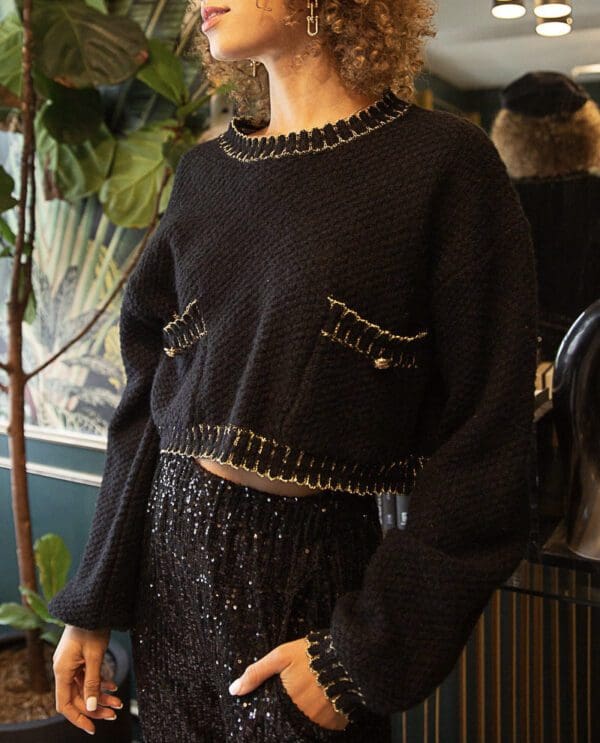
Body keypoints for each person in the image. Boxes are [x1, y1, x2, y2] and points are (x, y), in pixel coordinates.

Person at [49, 1, 539, 741]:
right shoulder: (205, 175)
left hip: (306, 581)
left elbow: (488, 441)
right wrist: (92, 603)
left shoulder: (440, 163)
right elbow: (146, 398)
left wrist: (365, 655)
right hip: (168, 574)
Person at [490, 70, 600, 362]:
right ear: (586, 128)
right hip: (591, 353)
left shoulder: (496, 201)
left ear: (510, 133)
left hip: (519, 355)